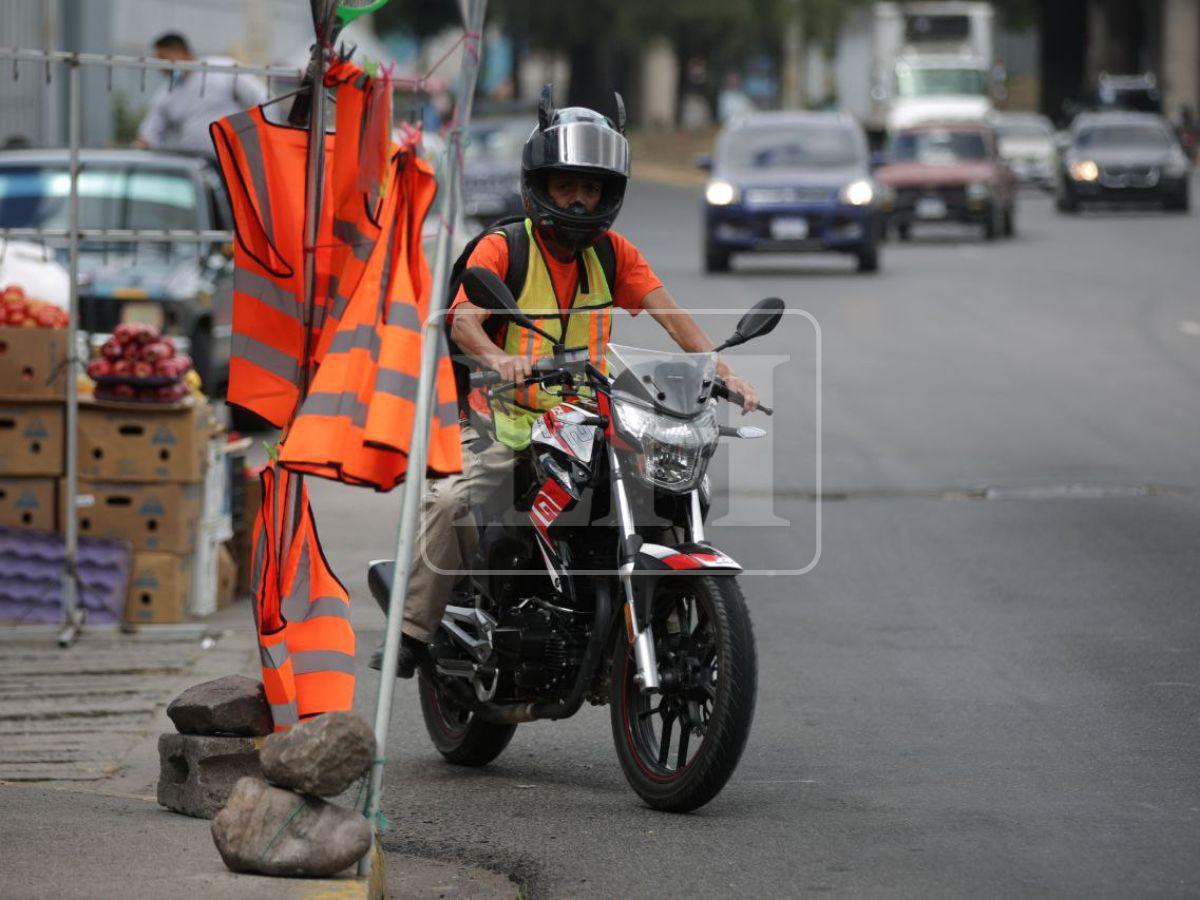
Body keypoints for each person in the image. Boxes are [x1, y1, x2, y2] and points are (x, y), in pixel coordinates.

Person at [372, 91, 761, 677]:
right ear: (540, 185)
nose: (580, 198)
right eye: (566, 185)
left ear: (610, 193)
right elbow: (465, 319)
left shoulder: (614, 254)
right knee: (455, 498)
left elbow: (671, 315)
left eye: (592, 187)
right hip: (505, 420)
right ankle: (413, 629)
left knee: (668, 483)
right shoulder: (504, 246)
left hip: (588, 418)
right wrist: (495, 358)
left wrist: (722, 371)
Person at [135, 33, 266, 159]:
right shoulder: (166, 94)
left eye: (168, 61)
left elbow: (262, 98)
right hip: (195, 166)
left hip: (235, 160)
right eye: (160, 62)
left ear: (186, 54)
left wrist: (265, 139)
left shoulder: (221, 70)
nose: (163, 68)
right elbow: (150, 134)